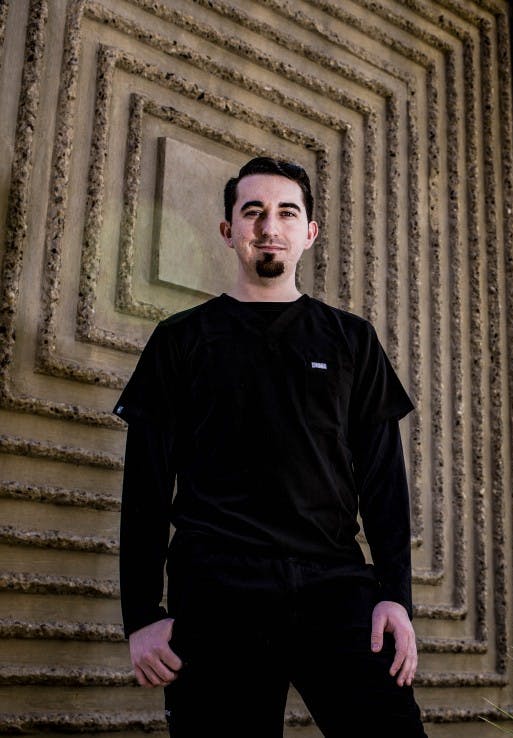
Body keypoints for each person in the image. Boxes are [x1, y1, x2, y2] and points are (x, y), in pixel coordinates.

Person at [114, 157, 427, 736]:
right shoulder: (181, 340)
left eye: (287, 211)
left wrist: (395, 597)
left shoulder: (350, 339)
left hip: (335, 587)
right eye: (252, 211)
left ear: (308, 232)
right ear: (228, 230)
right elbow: (145, 490)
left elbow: (384, 480)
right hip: (216, 595)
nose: (268, 225)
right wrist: (142, 616)